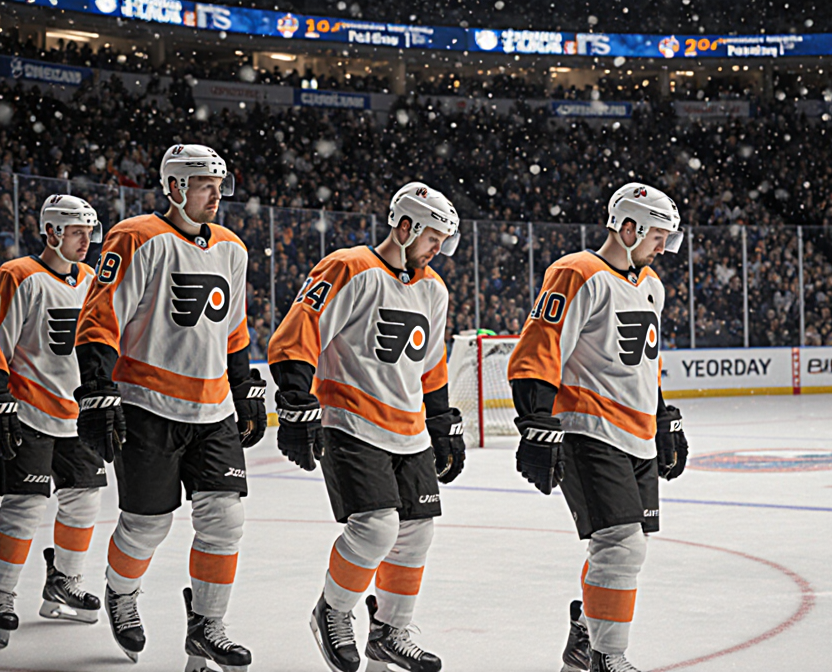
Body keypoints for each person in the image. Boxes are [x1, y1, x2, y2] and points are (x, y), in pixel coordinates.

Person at [73, 144, 266, 669]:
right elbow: (100, 317)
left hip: (213, 411)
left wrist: (244, 385)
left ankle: (208, 626)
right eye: (206, 184)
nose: (217, 195)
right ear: (175, 187)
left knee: (225, 520)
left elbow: (235, 329)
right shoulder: (135, 236)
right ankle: (121, 591)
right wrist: (96, 387)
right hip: (146, 408)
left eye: (220, 184)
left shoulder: (231, 247)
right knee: (146, 525)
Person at [268, 182, 467, 672]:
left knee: (416, 531)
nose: (438, 248)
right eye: (432, 237)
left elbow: (433, 363)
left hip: (410, 429)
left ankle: (390, 632)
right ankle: (333, 611)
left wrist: (441, 422)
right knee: (376, 528)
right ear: (405, 226)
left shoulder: (433, 288)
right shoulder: (349, 266)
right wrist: (295, 401)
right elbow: (300, 331)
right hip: (351, 421)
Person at [506, 183, 692, 672]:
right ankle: (608, 658)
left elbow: (644, 366)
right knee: (621, 543)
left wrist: (663, 418)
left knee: (626, 546)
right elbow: (536, 354)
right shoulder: (577, 272)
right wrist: (536, 425)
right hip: (588, 429)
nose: (661, 247)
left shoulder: (650, 283)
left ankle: (586, 636)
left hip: (637, 435)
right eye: (657, 235)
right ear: (627, 227)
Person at [0, 194, 105, 647]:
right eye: (76, 231)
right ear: (51, 233)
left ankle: (64, 580)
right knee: (25, 505)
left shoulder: (91, 279)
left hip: (78, 413)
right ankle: (0, 595)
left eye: (90, 231)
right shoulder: (17, 275)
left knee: (84, 499)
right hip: (28, 412)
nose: (86, 240)